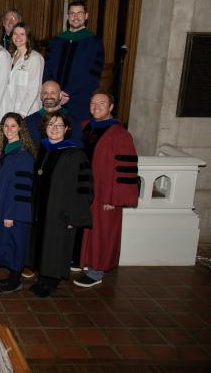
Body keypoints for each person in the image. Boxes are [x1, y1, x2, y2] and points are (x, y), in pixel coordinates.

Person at [75, 91, 139, 288]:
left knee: (102, 232)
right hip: (84, 190)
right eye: (93, 103)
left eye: (101, 103)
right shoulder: (85, 127)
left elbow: (125, 169)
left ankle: (97, 271)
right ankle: (83, 261)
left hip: (105, 194)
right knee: (84, 228)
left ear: (111, 107)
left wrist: (115, 199)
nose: (96, 107)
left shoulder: (120, 134)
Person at [27, 112, 93, 297]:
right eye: (50, 125)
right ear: (44, 129)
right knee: (43, 244)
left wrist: (74, 215)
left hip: (61, 211)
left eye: (59, 125)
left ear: (66, 129)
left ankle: (51, 281)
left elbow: (84, 187)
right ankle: (42, 278)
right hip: (42, 208)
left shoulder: (75, 154)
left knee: (57, 245)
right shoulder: (43, 150)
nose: (54, 129)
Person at [0, 113, 36, 294]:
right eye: (5, 126)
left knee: (15, 243)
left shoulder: (23, 154)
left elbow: (22, 189)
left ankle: (15, 281)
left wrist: (11, 213)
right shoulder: (7, 150)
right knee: (7, 243)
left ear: (20, 128)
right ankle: (11, 277)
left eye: (13, 126)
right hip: (3, 206)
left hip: (14, 210)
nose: (8, 130)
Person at [43, 0, 104, 122]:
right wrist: (53, 92)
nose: (75, 17)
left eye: (79, 13)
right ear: (67, 16)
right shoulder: (56, 41)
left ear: (86, 16)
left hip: (79, 100)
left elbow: (92, 74)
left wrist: (68, 93)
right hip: (54, 98)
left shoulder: (94, 42)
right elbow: (47, 69)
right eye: (72, 13)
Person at [0, 22, 43, 118]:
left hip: (28, 112)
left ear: (28, 37)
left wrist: (21, 114)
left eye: (22, 34)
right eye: (15, 34)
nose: (18, 37)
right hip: (11, 110)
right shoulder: (10, 56)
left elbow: (34, 90)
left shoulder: (35, 58)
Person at [24, 80, 82, 148]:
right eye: (45, 93)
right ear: (41, 96)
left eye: (53, 93)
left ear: (60, 96)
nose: (49, 96)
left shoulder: (72, 121)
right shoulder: (29, 121)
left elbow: (76, 149)